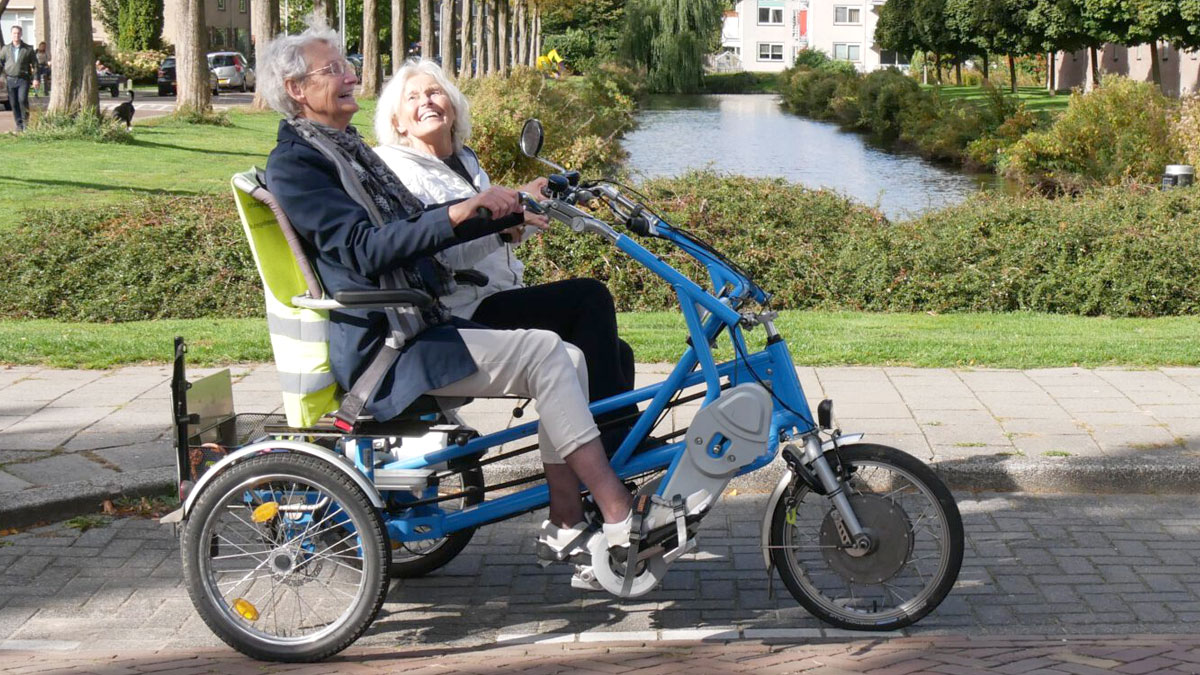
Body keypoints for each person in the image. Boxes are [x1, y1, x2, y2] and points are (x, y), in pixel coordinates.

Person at [257, 22, 643, 575]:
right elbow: (362, 251)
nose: (350, 74)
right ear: (297, 90)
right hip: (387, 347)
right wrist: (463, 212)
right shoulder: (299, 163)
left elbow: (416, 233)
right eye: (334, 69)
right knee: (550, 352)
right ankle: (613, 506)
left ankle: (565, 521)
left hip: (414, 322)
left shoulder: (344, 150)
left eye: (346, 64)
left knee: (574, 357)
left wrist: (486, 212)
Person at [372, 59, 639, 455]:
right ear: (397, 121)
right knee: (590, 296)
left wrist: (528, 204)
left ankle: (607, 455)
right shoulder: (400, 170)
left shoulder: (464, 160)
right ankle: (616, 444)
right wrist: (503, 228)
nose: (426, 102)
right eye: (412, 97)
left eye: (434, 92)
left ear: (453, 105)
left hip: (494, 295)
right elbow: (438, 249)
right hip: (460, 310)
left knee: (618, 354)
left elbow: (497, 225)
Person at [0, 25, 38, 132]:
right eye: (14, 33)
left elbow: (35, 65)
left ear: (21, 34)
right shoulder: (5, 49)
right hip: (10, 80)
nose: (16, 35)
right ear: (11, 35)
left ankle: (26, 124)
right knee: (13, 103)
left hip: (23, 79)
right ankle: (19, 125)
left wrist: (35, 78)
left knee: (22, 100)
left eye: (18, 33)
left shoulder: (28, 49)